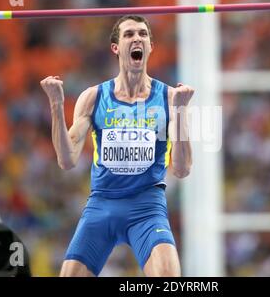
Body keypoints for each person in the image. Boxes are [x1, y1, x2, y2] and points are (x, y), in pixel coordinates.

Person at [40, 15, 194, 277]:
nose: (137, 38)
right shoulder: (93, 97)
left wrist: (179, 111)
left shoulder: (170, 98)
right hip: (102, 205)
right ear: (116, 47)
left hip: (147, 208)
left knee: (169, 277)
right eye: (129, 34)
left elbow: (181, 169)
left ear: (150, 47)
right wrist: (56, 106)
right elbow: (67, 161)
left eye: (143, 34)